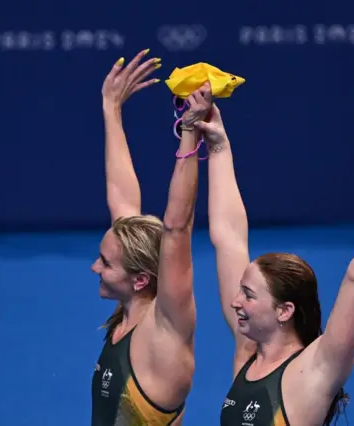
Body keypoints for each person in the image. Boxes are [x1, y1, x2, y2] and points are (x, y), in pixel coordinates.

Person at [195, 105, 354, 426]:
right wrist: (218, 145)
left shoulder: (317, 369)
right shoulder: (248, 352)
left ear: (284, 311)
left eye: (248, 295)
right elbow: (228, 238)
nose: (234, 302)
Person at [91, 50, 213, 425]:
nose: (95, 266)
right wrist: (111, 108)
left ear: (141, 279)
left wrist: (190, 130)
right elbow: (123, 199)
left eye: (106, 263)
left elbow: (177, 227)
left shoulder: (165, 328)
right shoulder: (133, 303)